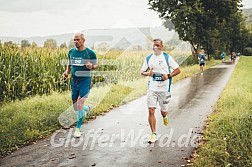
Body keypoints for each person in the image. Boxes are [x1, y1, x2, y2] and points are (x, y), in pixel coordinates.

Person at [140, 39, 181, 143]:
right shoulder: (149, 58)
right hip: (152, 88)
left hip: (164, 89)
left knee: (164, 111)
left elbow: (178, 70)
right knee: (151, 110)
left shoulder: (167, 58)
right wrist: (147, 74)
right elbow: (142, 71)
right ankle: (153, 134)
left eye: (157, 45)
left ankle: (164, 115)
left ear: (162, 46)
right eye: (154, 45)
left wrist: (168, 75)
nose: (155, 47)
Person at [62, 33, 98, 137]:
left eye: (78, 40)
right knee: (75, 106)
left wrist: (91, 66)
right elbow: (69, 64)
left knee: (80, 104)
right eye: (74, 40)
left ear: (83, 40)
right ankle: (87, 108)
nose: (75, 42)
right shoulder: (71, 52)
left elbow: (96, 65)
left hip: (85, 80)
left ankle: (78, 128)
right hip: (74, 81)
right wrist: (66, 73)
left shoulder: (89, 53)